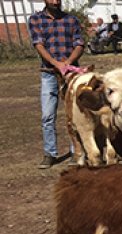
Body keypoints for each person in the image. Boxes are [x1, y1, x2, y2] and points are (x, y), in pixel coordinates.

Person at [27, 0, 84, 169]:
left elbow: (79, 44)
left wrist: (68, 63)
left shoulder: (71, 20)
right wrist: (56, 63)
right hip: (49, 74)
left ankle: (76, 150)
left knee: (74, 114)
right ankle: (50, 153)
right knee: (47, 115)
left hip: (71, 74)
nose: (56, 2)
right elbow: (39, 45)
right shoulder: (36, 20)